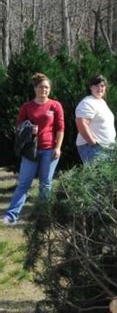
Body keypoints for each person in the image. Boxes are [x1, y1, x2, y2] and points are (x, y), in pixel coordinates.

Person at [3, 73, 65, 225]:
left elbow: (60, 128)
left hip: (49, 149)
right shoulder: (27, 106)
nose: (44, 89)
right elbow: (18, 126)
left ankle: (44, 216)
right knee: (24, 183)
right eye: (41, 87)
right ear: (35, 88)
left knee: (45, 184)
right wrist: (29, 129)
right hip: (31, 150)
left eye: (47, 87)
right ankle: (11, 216)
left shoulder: (55, 105)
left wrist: (58, 147)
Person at [75, 75, 116, 163]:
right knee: (97, 176)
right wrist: (93, 143)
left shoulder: (101, 102)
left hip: (106, 148)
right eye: (96, 85)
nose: (99, 88)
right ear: (90, 87)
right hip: (93, 148)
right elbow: (81, 123)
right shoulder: (88, 102)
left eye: (102, 86)